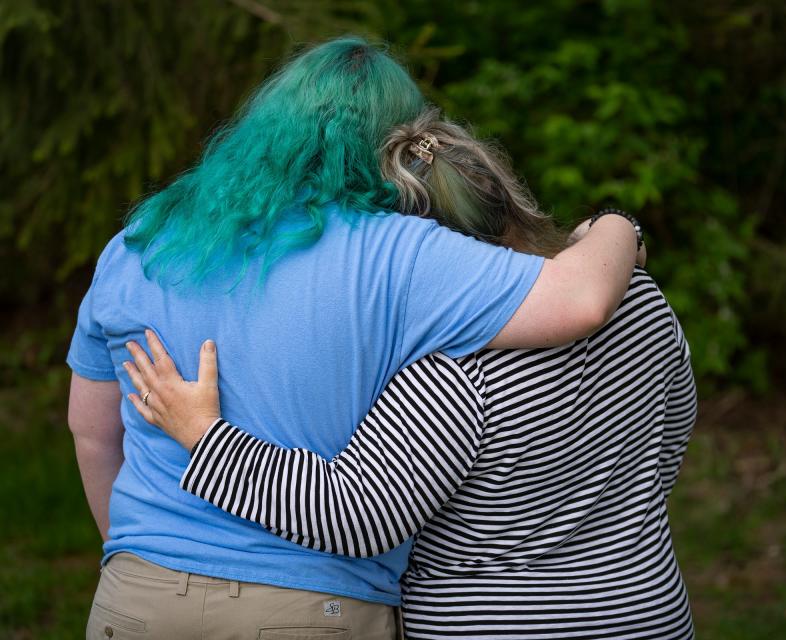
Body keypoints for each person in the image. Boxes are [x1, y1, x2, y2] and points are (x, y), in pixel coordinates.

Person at [67, 39, 641, 639]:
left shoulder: (142, 243)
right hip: (311, 608)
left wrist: (141, 556)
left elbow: (91, 431)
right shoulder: (401, 254)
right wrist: (619, 228)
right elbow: (582, 299)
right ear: (400, 142)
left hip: (135, 595)